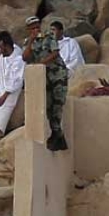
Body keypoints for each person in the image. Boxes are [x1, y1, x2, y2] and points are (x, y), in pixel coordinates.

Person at [22, 15, 69, 152]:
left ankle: (57, 135)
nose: (36, 29)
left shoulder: (49, 36)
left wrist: (41, 63)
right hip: (44, 77)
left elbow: (55, 53)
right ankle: (58, 136)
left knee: (57, 104)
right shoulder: (28, 42)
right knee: (48, 105)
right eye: (32, 28)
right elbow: (25, 57)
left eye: (37, 27)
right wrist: (31, 40)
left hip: (57, 74)